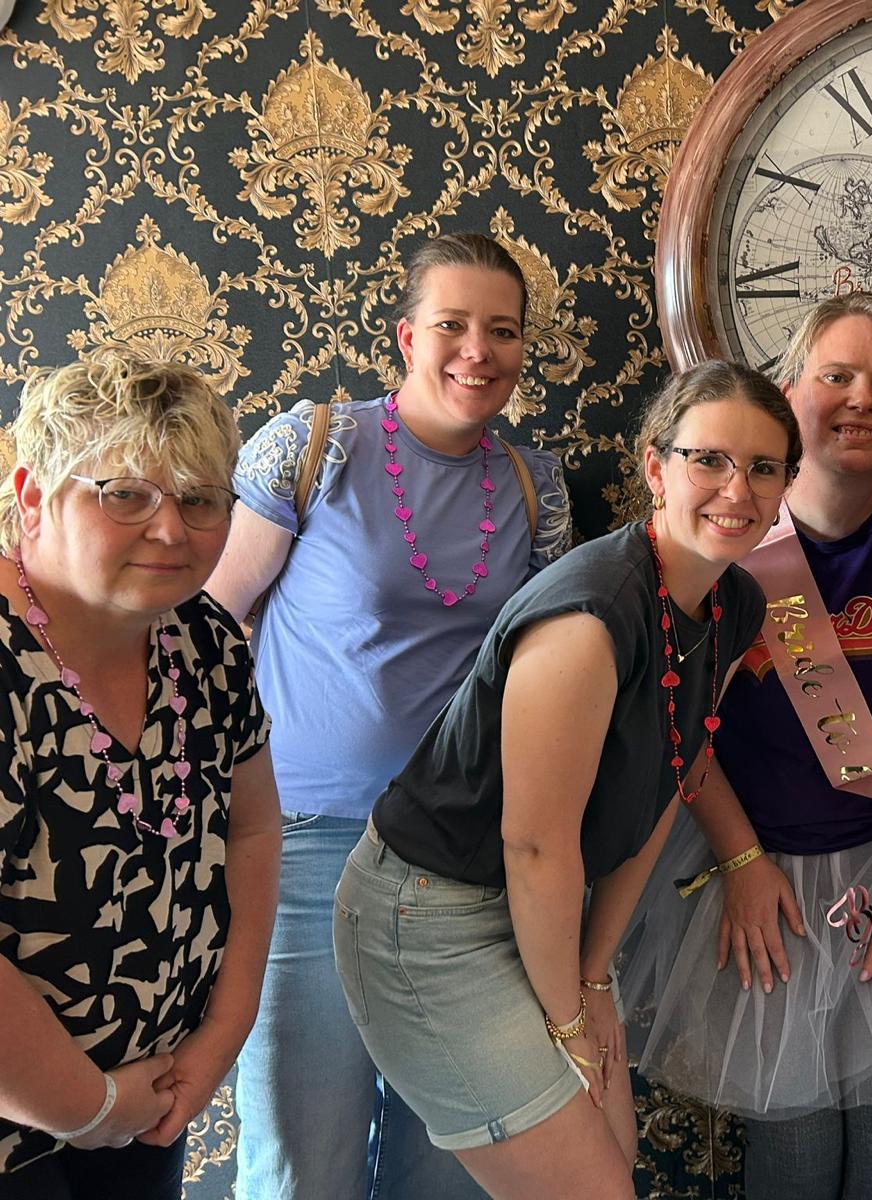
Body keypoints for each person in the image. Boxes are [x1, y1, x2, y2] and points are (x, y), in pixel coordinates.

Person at [331, 360, 797, 1200]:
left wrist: (593, 975)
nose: (738, 489)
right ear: (656, 467)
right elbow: (536, 846)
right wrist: (570, 1020)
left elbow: (675, 777)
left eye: (764, 467)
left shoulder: (737, 605)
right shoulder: (590, 615)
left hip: (541, 906)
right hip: (431, 915)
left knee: (614, 1155)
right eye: (709, 460)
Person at [206, 232, 568, 1200]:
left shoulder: (535, 488)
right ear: (408, 337)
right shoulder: (315, 446)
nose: (478, 351)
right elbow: (209, 628)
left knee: (446, 1161)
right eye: (453, 324)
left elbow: (540, 680)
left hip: (457, 859)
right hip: (304, 846)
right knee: (300, 1162)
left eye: (503, 330)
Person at [622, 294, 872, 1199]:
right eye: (837, 375)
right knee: (792, 1142)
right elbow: (679, 723)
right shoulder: (732, 525)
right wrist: (743, 863)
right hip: (757, 873)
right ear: (790, 392)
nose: (862, 398)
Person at [0, 351, 279, 1199]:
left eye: (200, 499)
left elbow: (252, 829)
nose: (171, 530)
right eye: (125, 494)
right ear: (33, 496)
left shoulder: (205, 640)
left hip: (150, 1103)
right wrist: (84, 1107)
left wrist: (221, 1037)